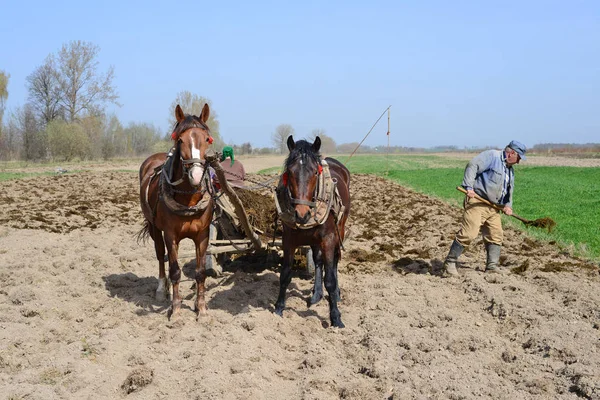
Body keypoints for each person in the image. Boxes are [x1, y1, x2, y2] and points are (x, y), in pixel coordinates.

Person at [444, 140, 527, 276]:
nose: (518, 162)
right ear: (512, 152)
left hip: (494, 207)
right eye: (518, 158)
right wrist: (469, 187)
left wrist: (507, 206)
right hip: (477, 202)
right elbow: (473, 165)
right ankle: (450, 262)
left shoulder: (510, 171)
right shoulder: (492, 156)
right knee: (469, 233)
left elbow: (508, 190)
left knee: (496, 235)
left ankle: (492, 266)